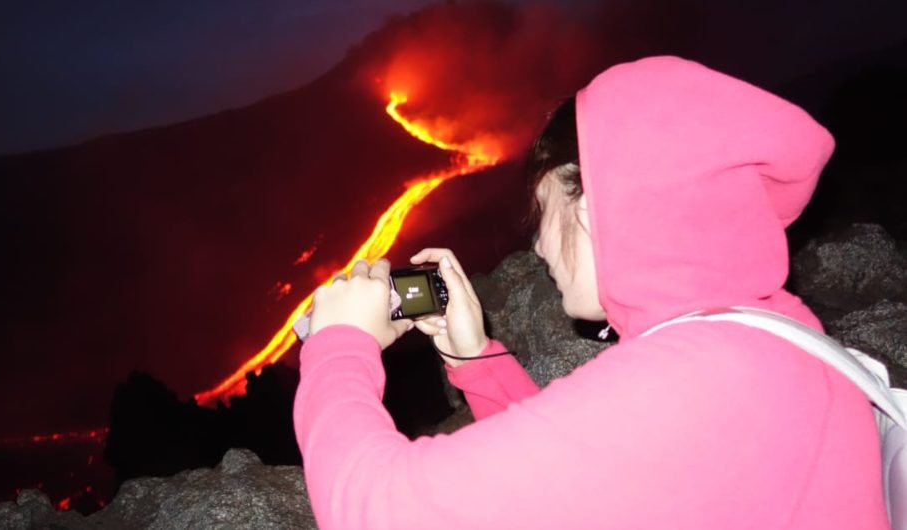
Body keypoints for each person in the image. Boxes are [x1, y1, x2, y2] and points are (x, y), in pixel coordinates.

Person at [294, 56, 890, 529]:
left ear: (595, 203)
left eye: (543, 213)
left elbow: (372, 508)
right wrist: (474, 358)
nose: (541, 250)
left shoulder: (704, 381)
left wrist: (341, 343)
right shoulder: (759, 338)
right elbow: (573, 482)